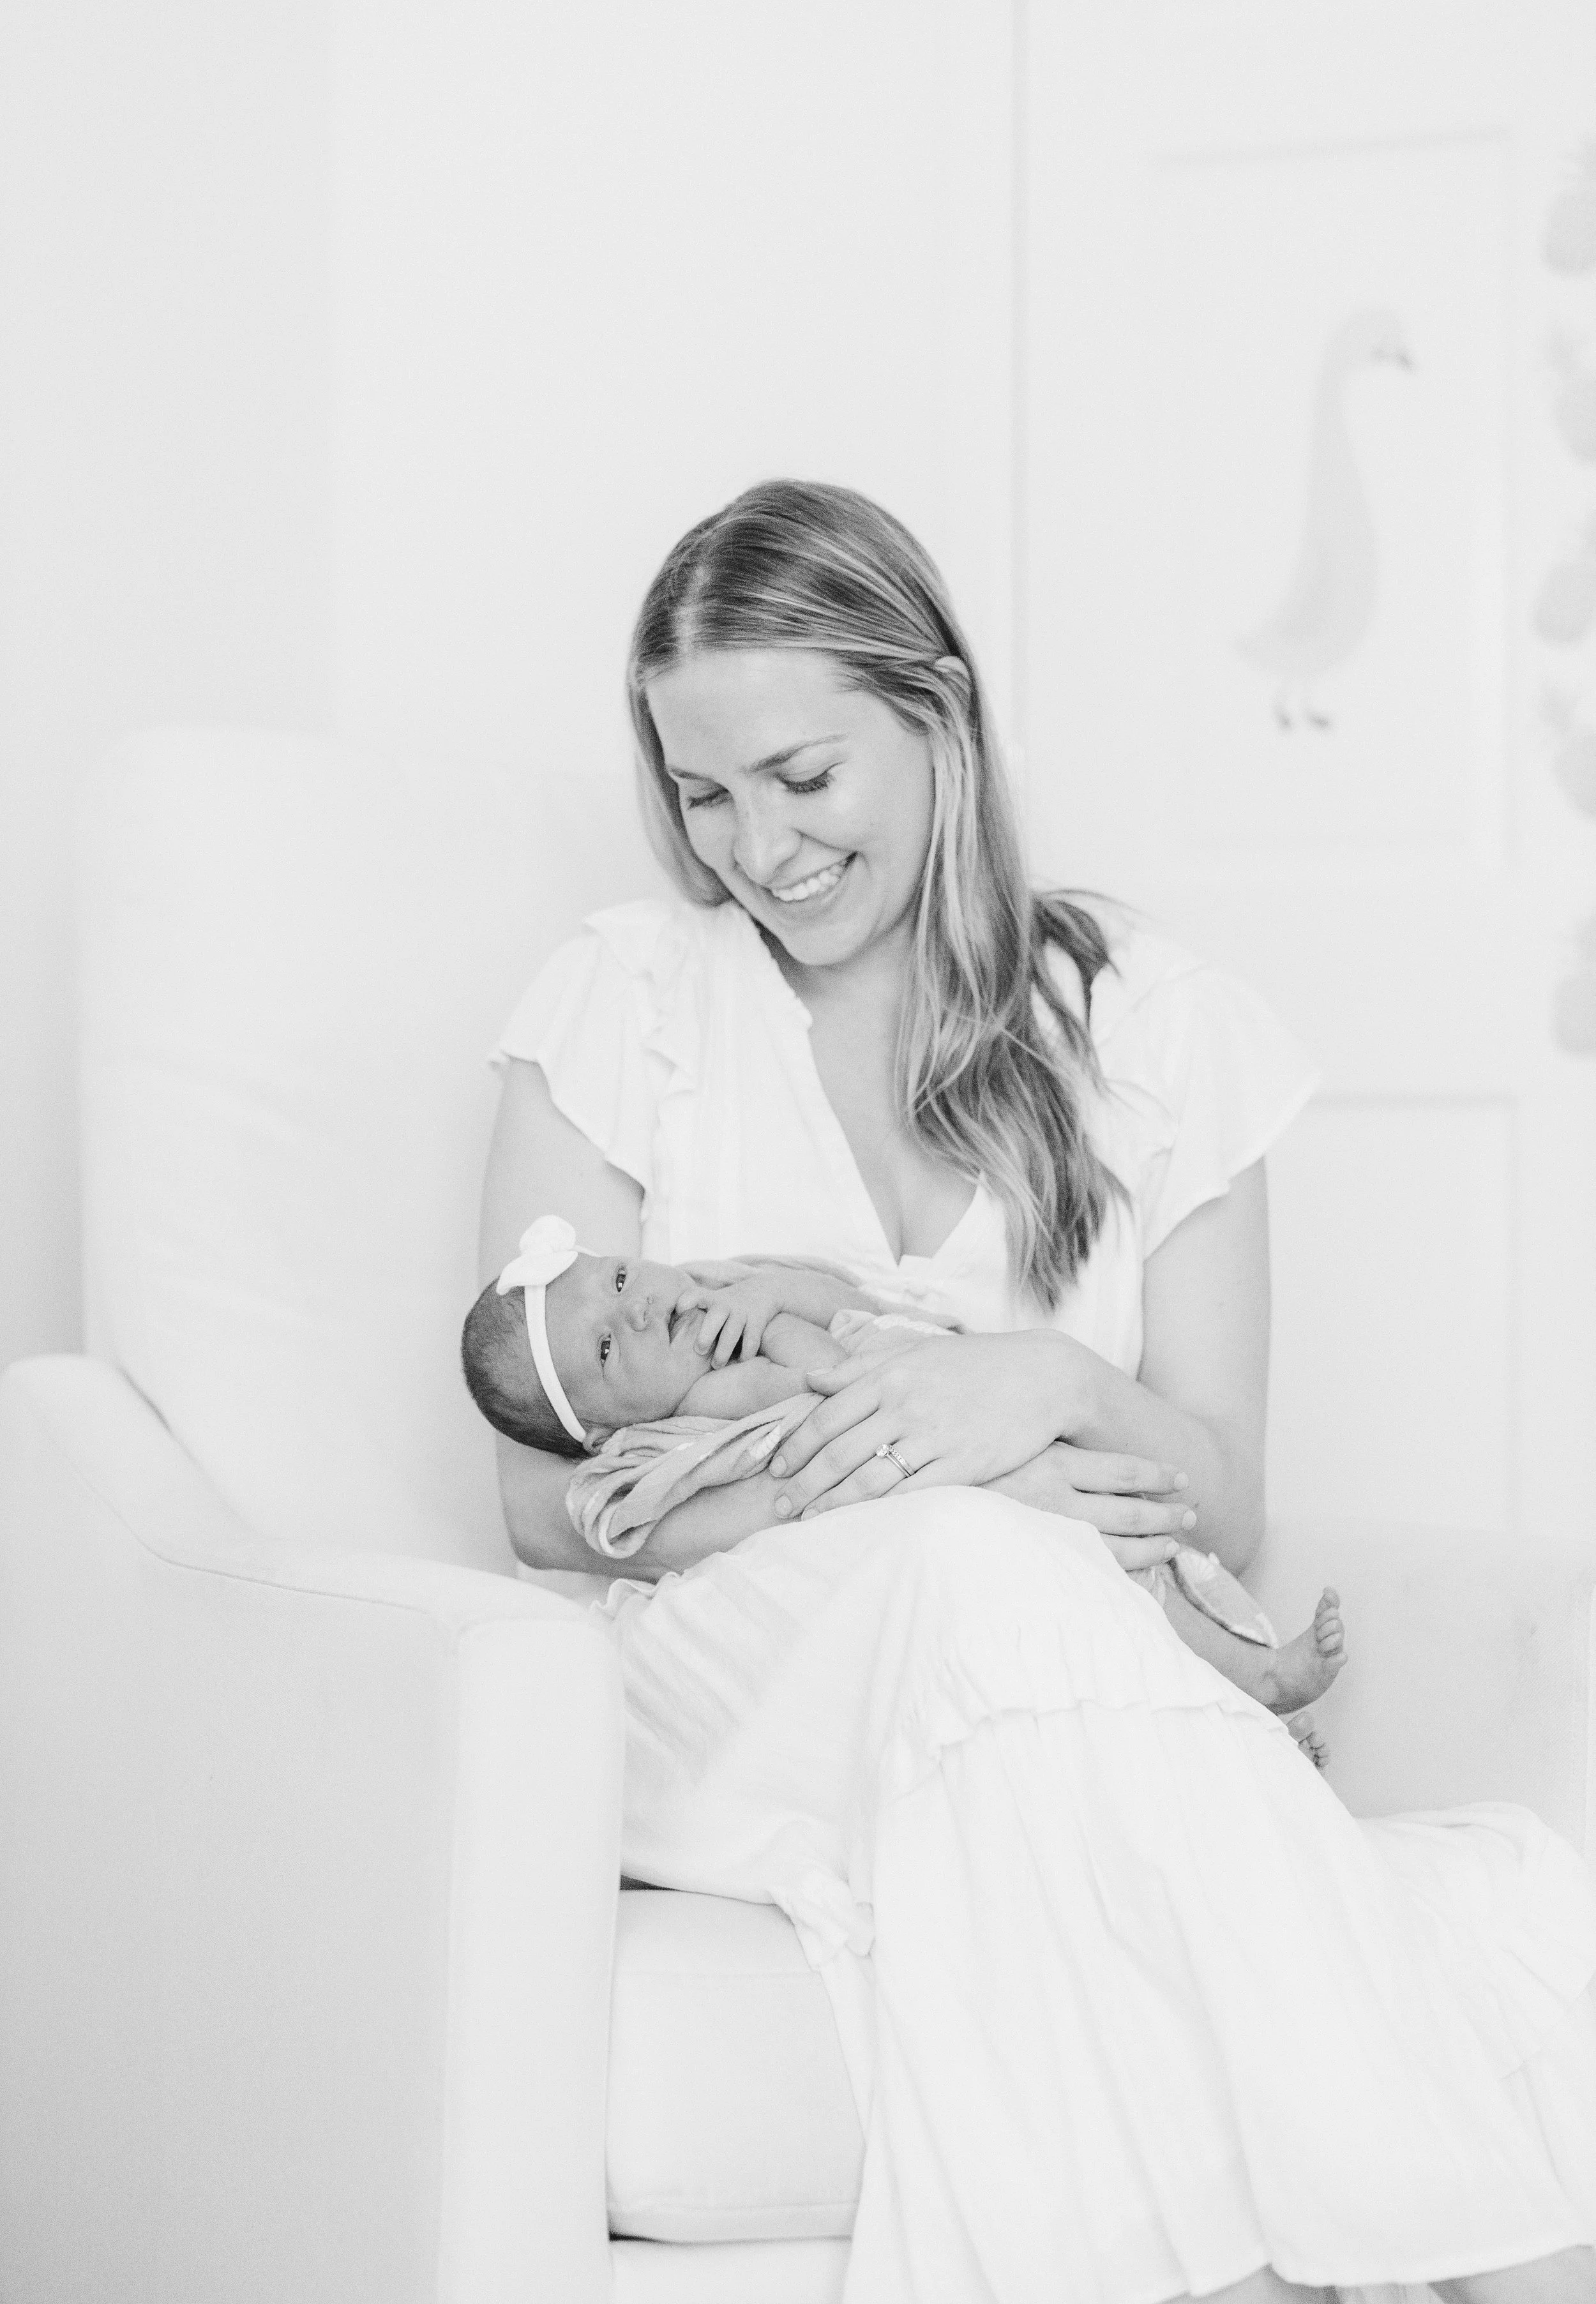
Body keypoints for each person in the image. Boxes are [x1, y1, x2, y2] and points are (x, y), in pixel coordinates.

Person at [479, 478, 1596, 2301]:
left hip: (1038, 1688)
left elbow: (1215, 1488)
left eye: (802, 776)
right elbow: (536, 1491)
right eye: (701, 793)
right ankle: (1511, 2253)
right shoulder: (623, 999)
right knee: (974, 1573)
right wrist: (917, 1480)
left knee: (1027, 1749)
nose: (755, 849)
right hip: (720, 1679)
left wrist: (1044, 1379)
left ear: (938, 713)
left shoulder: (1151, 1025)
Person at [460, 1219, 1348, 1729]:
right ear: (607, 1424)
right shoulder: (687, 1430)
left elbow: (848, 1312)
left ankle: (1246, 1689)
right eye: (611, 1346)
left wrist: (767, 1299)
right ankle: (1257, 1683)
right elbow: (813, 1420)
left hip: (982, 1430)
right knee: (1112, 1582)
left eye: (619, 1276)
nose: (643, 1305)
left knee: (1143, 1556)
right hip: (928, 1502)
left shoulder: (731, 1296)